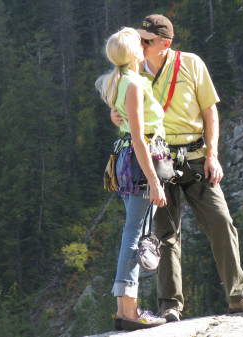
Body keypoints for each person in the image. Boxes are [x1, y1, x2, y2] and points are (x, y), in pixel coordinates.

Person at [110, 14, 243, 322]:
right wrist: (117, 118)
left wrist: (213, 155)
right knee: (165, 233)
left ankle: (238, 295)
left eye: (146, 40)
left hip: (195, 155)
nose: (140, 44)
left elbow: (211, 114)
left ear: (164, 44)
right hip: (158, 158)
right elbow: (125, 115)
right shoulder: (134, 72)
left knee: (221, 221)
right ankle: (170, 305)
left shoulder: (192, 64)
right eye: (139, 38)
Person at [95, 27, 167, 330]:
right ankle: (129, 311)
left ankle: (126, 310)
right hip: (141, 160)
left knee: (133, 232)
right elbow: (139, 137)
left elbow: (121, 118)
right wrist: (153, 181)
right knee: (134, 235)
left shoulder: (116, 81)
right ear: (135, 52)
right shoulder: (135, 84)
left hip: (125, 160)